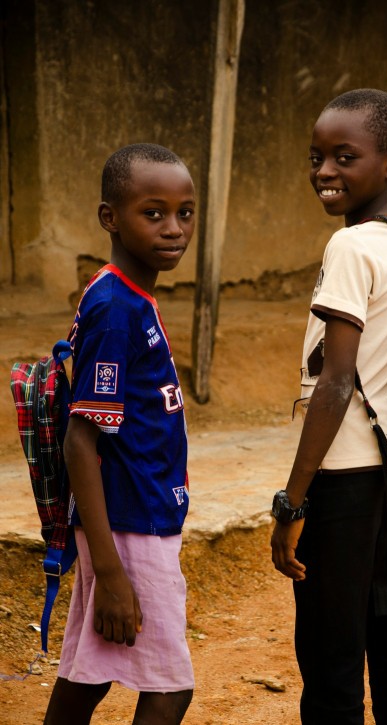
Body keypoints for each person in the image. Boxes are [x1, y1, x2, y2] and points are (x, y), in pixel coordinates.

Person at [271, 89, 387, 724]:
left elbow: (336, 382)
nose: (325, 172)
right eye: (316, 157)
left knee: (331, 656)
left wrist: (292, 502)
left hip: (342, 482)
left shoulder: (350, 248)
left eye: (345, 157)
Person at [44, 143, 196, 725]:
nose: (173, 228)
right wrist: (110, 573)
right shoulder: (114, 307)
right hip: (132, 525)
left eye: (184, 212)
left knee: (91, 671)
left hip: (139, 516)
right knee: (169, 688)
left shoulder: (133, 296)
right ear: (110, 218)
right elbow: (81, 441)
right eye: (153, 213)